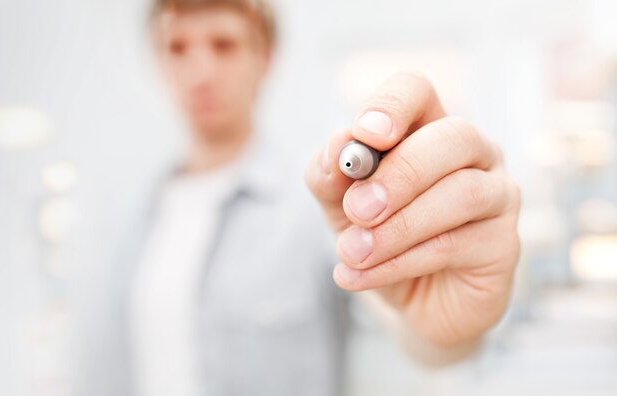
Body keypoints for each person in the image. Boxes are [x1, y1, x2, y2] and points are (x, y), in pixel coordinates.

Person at [75, 0, 521, 395]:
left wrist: (450, 333)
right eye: (178, 48)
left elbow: (416, 334)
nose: (201, 71)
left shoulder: (320, 207)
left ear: (264, 57)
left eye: (224, 45)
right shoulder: (127, 220)